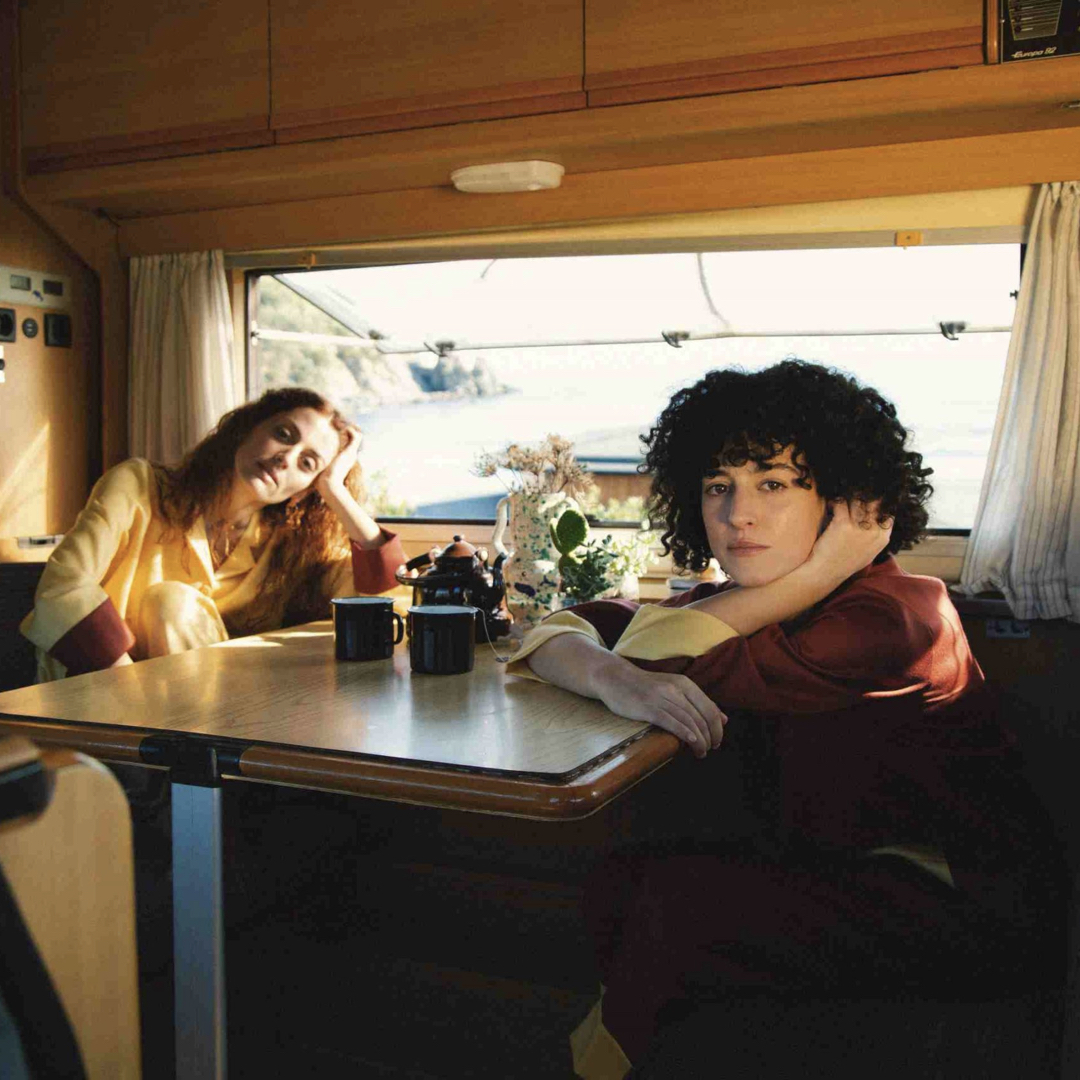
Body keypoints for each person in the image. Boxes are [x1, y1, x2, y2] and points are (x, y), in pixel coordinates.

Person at [507, 360, 1063, 1079]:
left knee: (676, 909)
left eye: (773, 484)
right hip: (840, 860)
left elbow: (653, 644)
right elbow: (552, 633)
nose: (739, 516)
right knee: (620, 877)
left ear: (846, 501)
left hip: (965, 902)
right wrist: (613, 676)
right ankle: (630, 1038)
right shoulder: (741, 598)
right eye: (718, 488)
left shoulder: (894, 619)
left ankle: (599, 1061)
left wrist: (814, 574)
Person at [21, 387, 406, 681]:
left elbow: (387, 606)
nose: (284, 459)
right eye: (284, 434)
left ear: (306, 488)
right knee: (171, 602)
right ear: (247, 429)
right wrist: (129, 693)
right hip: (97, 693)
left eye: (307, 464)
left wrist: (335, 490)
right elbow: (62, 590)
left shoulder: (288, 547)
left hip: (213, 716)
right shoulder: (138, 484)